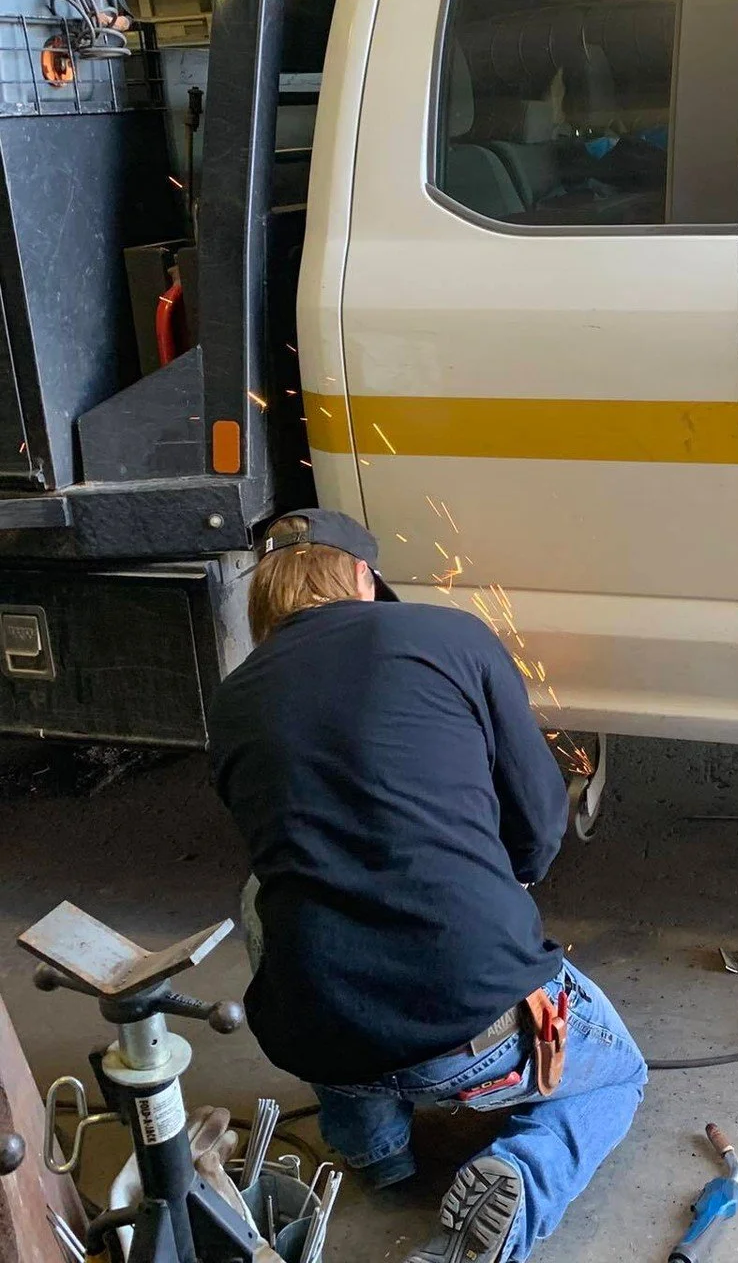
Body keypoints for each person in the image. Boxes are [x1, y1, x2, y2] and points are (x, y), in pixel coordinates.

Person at [207, 508, 646, 1263]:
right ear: (358, 576)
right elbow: (539, 822)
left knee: (268, 897)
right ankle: (518, 1175)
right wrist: (494, 879)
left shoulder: (233, 700)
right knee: (618, 1077)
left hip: (317, 1026)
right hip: (472, 1019)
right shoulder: (449, 637)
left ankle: (376, 1146)